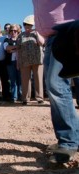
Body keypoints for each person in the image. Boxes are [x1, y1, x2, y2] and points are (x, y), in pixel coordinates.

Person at [32, 0, 79, 163]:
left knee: (56, 85)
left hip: (70, 32)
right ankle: (68, 138)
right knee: (54, 87)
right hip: (53, 38)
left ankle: (69, 142)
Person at [16, 15, 44, 105]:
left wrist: (37, 33)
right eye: (26, 25)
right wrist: (18, 61)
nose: (28, 27)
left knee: (38, 79)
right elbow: (18, 49)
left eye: (30, 25)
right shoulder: (21, 35)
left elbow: (42, 43)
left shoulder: (38, 33)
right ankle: (25, 98)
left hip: (38, 60)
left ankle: (39, 97)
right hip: (24, 61)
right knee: (25, 80)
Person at [4, 24, 22, 103]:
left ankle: (21, 95)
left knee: (20, 80)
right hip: (10, 62)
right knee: (13, 80)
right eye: (11, 31)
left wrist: (12, 50)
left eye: (15, 31)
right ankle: (14, 97)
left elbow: (10, 49)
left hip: (21, 62)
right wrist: (17, 48)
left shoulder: (21, 39)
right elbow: (6, 48)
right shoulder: (6, 40)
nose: (13, 32)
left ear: (18, 31)